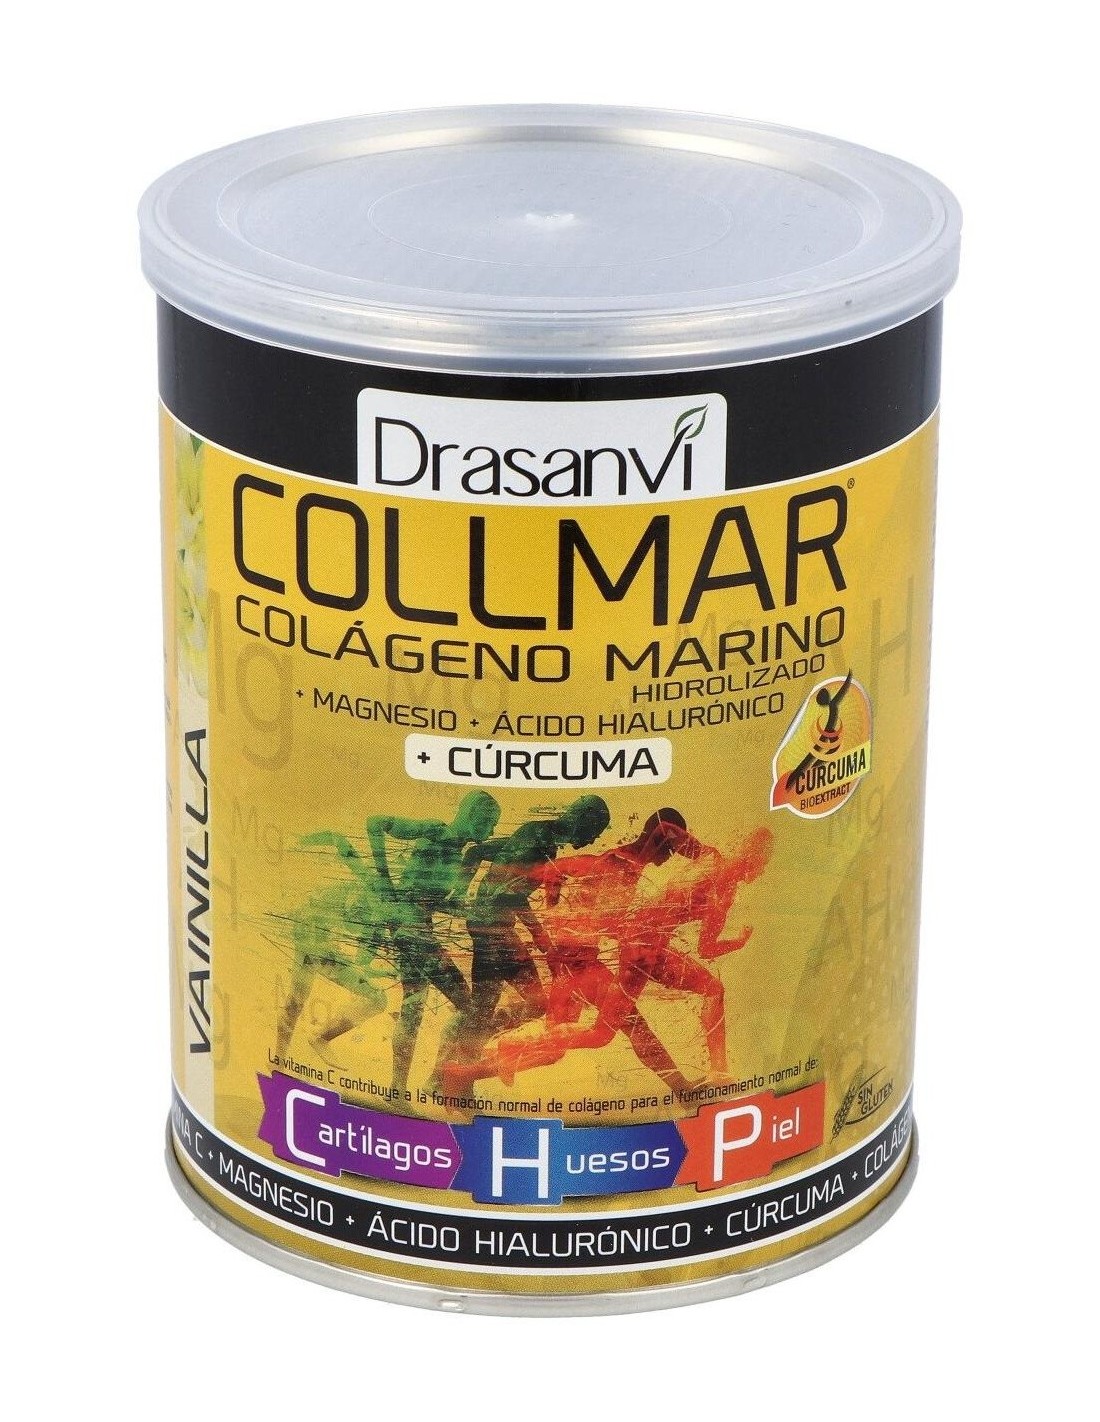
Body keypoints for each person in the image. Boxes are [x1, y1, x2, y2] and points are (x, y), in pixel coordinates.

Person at [276, 790, 501, 1092]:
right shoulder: (437, 832)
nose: (492, 831)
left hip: (418, 930)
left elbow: (426, 898)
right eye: (490, 822)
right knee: (466, 1007)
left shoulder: (455, 852)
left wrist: (470, 909)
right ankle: (437, 1079)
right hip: (411, 932)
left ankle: (399, 1091)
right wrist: (384, 879)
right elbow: (376, 823)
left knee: (413, 1010)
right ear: (474, 816)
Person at [449, 796, 611, 1070]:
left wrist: (461, 892)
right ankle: (458, 1068)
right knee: (489, 1006)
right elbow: (509, 894)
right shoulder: (538, 838)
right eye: (594, 831)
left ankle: (465, 1060)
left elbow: (476, 853)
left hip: (497, 928)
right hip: (490, 930)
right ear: (584, 819)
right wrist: (542, 938)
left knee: (526, 1004)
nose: (593, 839)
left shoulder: (540, 837)